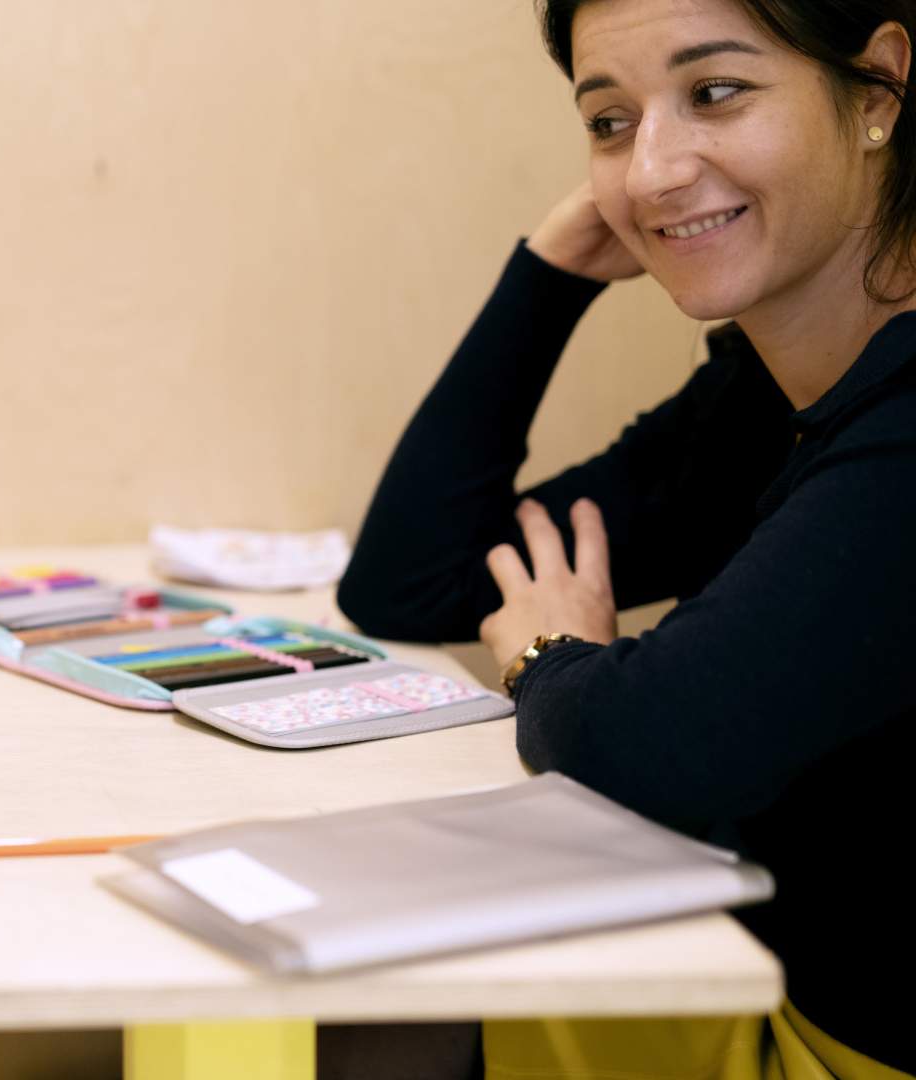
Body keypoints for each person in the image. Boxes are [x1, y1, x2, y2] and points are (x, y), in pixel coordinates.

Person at [338, 0, 916, 1075]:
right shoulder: (762, 393)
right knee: (358, 1020)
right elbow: (410, 579)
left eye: (715, 93)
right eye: (609, 121)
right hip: (775, 1012)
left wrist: (547, 658)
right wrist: (548, 274)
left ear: (878, 91)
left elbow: (644, 752)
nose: (651, 170)